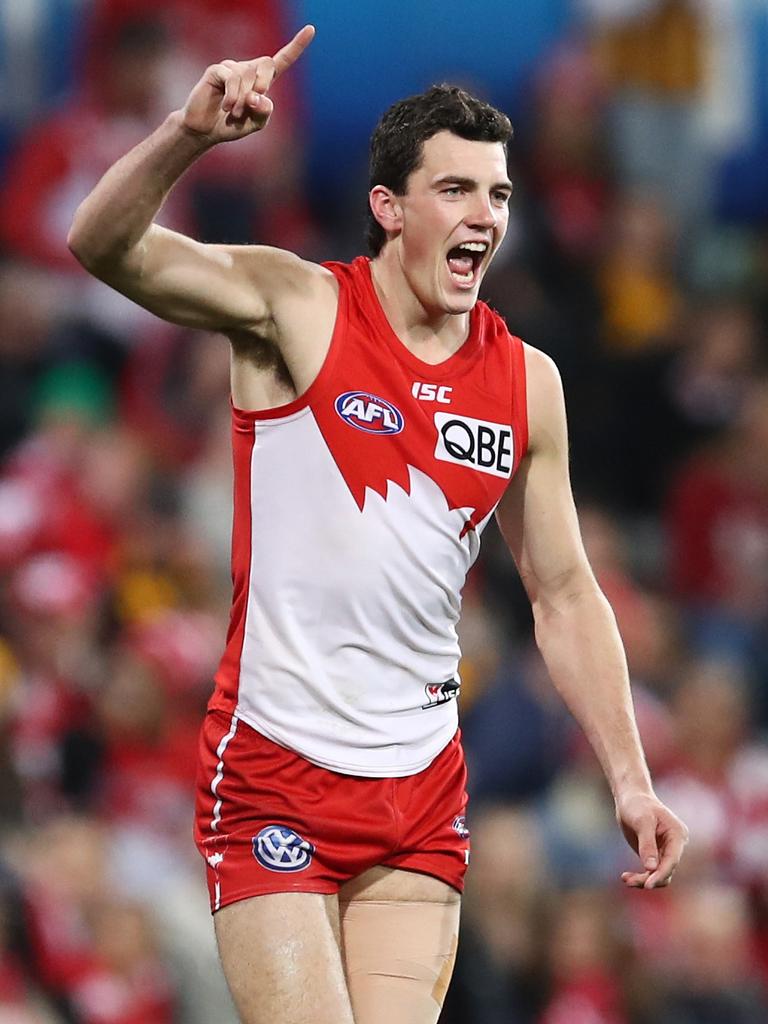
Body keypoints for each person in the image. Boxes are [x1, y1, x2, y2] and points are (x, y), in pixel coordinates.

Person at [67, 24, 689, 1024]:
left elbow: (564, 591)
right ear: (389, 209)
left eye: (498, 195)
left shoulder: (528, 383)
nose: (483, 215)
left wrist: (629, 777)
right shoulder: (295, 306)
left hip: (421, 791)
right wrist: (186, 136)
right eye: (455, 191)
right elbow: (101, 246)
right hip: (274, 771)